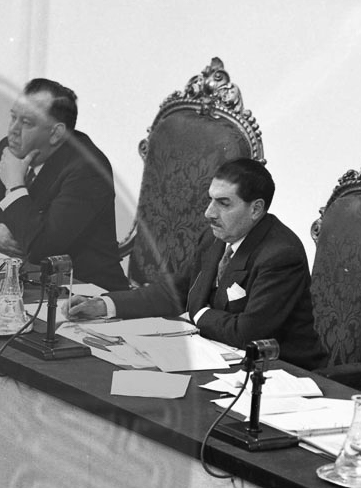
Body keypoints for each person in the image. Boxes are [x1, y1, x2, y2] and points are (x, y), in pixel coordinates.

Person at [68, 158, 326, 369]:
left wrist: (198, 312)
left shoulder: (280, 255)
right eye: (211, 199)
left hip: (284, 374)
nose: (209, 213)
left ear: (256, 209)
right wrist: (104, 305)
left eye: (224, 203)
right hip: (221, 358)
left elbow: (248, 333)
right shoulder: (216, 236)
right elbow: (177, 291)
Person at [0, 77, 127, 292]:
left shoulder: (87, 169)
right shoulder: (10, 151)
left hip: (86, 296)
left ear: (56, 133)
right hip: (23, 288)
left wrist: (15, 186)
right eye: (13, 118)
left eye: (27, 123)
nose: (13, 130)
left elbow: (41, 248)